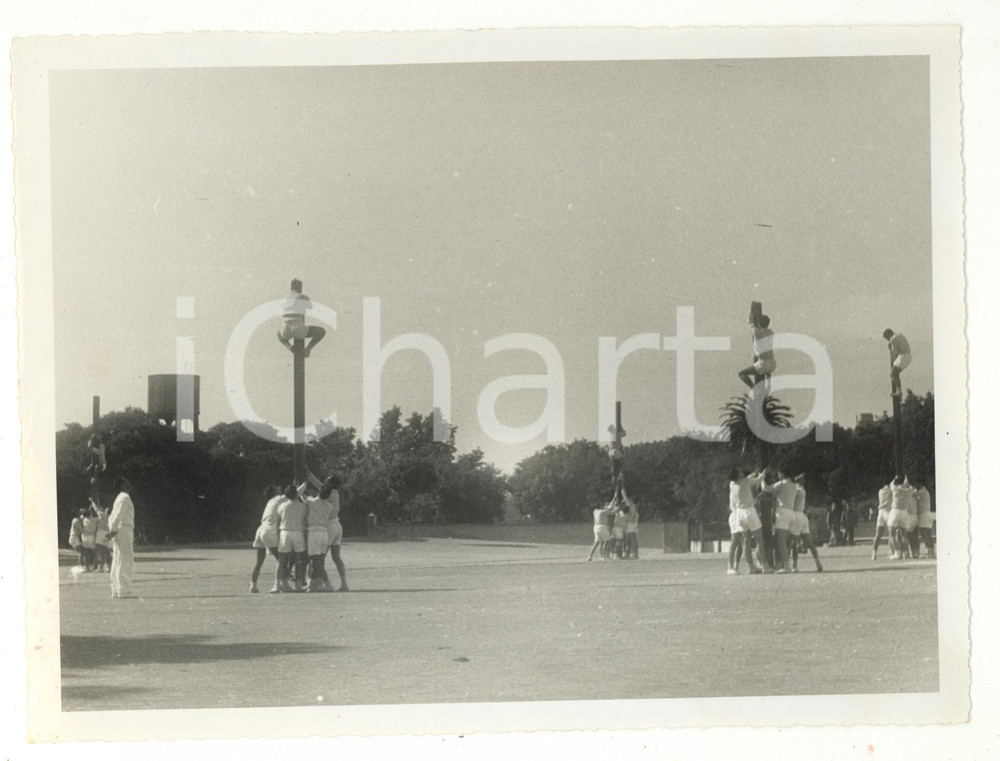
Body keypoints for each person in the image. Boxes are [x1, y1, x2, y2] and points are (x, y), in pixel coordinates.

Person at [728, 468, 768, 574]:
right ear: (738, 475)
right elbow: (758, 480)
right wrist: (764, 473)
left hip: (739, 513)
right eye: (740, 472)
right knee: (759, 539)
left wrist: (752, 474)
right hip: (748, 511)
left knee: (746, 542)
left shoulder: (732, 484)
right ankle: (765, 566)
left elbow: (747, 478)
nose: (742, 472)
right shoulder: (745, 482)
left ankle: (750, 566)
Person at [760, 466, 798, 573]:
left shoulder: (781, 484)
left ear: (781, 474)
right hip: (791, 513)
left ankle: (786, 565)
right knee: (785, 542)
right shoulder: (793, 485)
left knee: (780, 541)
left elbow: (766, 489)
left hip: (783, 513)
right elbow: (778, 494)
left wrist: (762, 479)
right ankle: (781, 564)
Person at [277, 278, 326, 358]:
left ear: (291, 288)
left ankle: (291, 348)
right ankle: (307, 350)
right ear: (300, 288)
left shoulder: (284, 299)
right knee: (321, 331)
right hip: (298, 329)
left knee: (279, 335)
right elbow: (310, 307)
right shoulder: (302, 296)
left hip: (285, 330)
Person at [106, 477, 137, 599]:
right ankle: (124, 590)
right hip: (124, 529)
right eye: (127, 482)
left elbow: (113, 516)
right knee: (125, 559)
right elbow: (118, 515)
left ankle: (116, 589)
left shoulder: (119, 498)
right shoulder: (124, 497)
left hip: (119, 530)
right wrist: (113, 530)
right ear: (122, 485)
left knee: (118, 559)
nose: (129, 483)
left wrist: (112, 530)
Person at [303, 480, 336, 592]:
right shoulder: (329, 506)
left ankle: (325, 584)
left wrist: (302, 485)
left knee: (315, 561)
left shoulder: (311, 502)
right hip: (324, 533)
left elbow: (300, 496)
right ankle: (312, 584)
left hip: (314, 533)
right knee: (318, 561)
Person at [274, 485, 308, 592]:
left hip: (285, 533)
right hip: (298, 533)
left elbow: (279, 519)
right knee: (299, 560)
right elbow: (305, 518)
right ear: (296, 494)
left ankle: (281, 584)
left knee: (282, 560)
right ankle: (298, 585)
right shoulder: (303, 506)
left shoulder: (282, 506)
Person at [250, 485, 283, 593]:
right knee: (281, 559)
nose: (279, 488)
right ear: (274, 492)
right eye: (277, 488)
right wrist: (305, 484)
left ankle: (253, 585)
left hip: (260, 529)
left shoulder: (270, 501)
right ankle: (279, 585)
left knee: (259, 562)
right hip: (268, 529)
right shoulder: (278, 498)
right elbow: (294, 493)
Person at [792, 475, 822, 572]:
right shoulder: (803, 491)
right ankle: (818, 563)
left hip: (796, 515)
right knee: (809, 542)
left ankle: (795, 565)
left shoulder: (796, 490)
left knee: (795, 542)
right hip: (803, 516)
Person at [738, 315, 776, 391]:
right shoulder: (770, 332)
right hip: (772, 362)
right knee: (767, 373)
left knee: (741, 373)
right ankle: (768, 385)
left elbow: (751, 325)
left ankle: (753, 387)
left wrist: (751, 318)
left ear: (758, 323)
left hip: (762, 363)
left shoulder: (757, 332)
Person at [325, 476, 350, 592]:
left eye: (327, 480)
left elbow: (317, 484)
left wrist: (308, 475)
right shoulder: (335, 492)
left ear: (330, 484)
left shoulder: (328, 492)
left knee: (320, 557)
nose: (325, 481)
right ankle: (344, 583)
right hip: (337, 525)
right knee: (336, 557)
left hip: (329, 525)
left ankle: (323, 583)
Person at [887, 476, 913, 560]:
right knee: (904, 535)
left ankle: (897, 553)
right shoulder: (909, 491)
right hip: (904, 512)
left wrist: (895, 478)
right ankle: (906, 553)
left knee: (892, 534)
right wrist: (907, 479)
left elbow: (891, 484)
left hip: (895, 511)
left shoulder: (895, 489)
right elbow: (910, 487)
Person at [587, 496, 619, 561]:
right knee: (608, 541)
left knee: (596, 543)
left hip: (595, 528)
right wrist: (618, 507)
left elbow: (608, 507)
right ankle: (609, 556)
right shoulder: (603, 512)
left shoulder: (595, 511)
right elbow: (612, 512)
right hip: (602, 527)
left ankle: (590, 556)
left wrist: (614, 498)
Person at [883, 329, 912, 398]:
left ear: (889, 335)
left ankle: (899, 392)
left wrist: (890, 347)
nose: (887, 340)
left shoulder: (892, 339)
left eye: (887, 338)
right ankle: (899, 390)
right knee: (895, 374)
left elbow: (894, 353)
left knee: (893, 374)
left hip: (903, 356)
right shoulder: (900, 335)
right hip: (907, 355)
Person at [914, 480, 935, 559]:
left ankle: (929, 552)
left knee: (924, 534)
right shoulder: (925, 492)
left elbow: (912, 494)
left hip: (924, 514)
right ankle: (931, 552)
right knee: (929, 534)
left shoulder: (922, 492)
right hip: (928, 514)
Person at [871, 482, 893, 560]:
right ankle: (891, 551)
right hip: (888, 512)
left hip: (880, 512)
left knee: (878, 534)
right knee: (891, 533)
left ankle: (874, 553)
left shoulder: (880, 491)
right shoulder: (891, 491)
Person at [92, 499, 112, 572]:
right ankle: (110, 568)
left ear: (106, 511)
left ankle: (100, 568)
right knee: (107, 552)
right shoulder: (112, 517)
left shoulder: (102, 514)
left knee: (100, 552)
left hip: (101, 533)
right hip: (108, 534)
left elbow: (95, 508)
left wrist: (92, 501)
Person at [80, 505, 99, 571]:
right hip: (91, 537)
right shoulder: (95, 519)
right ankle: (94, 567)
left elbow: (83, 514)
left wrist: (88, 509)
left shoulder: (83, 519)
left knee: (86, 554)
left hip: (84, 537)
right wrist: (92, 507)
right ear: (90, 513)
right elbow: (99, 515)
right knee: (95, 553)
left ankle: (87, 568)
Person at [623, 487, 640, 559]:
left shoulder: (631, 505)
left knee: (631, 540)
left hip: (630, 525)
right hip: (633, 525)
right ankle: (630, 554)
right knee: (631, 540)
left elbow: (625, 497)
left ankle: (634, 554)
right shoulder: (635, 508)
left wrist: (622, 487)